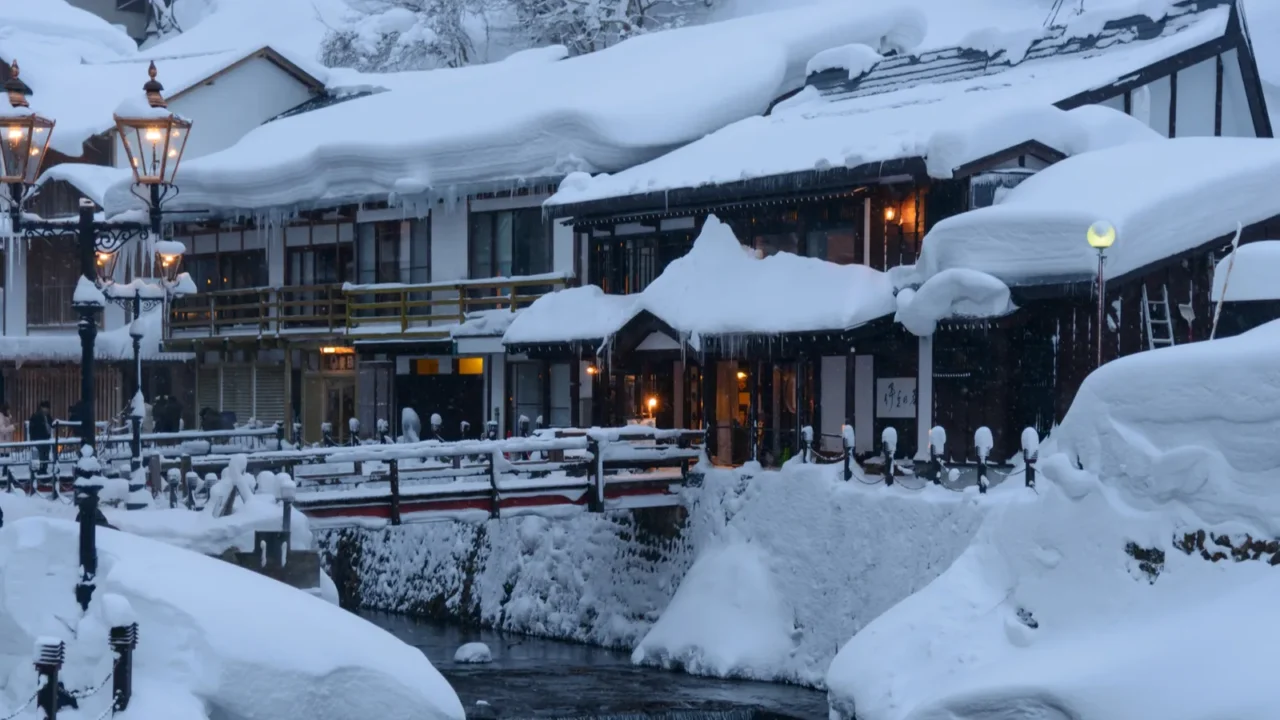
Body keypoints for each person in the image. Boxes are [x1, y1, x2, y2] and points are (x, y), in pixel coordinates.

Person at [28, 401, 53, 475]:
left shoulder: (47, 416)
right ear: (42, 408)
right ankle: (41, 469)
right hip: (39, 438)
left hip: (45, 438)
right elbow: (32, 427)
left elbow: (51, 423)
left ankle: (44, 468)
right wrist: (33, 438)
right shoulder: (36, 416)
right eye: (46, 408)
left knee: (45, 454)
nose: (47, 410)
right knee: (42, 455)